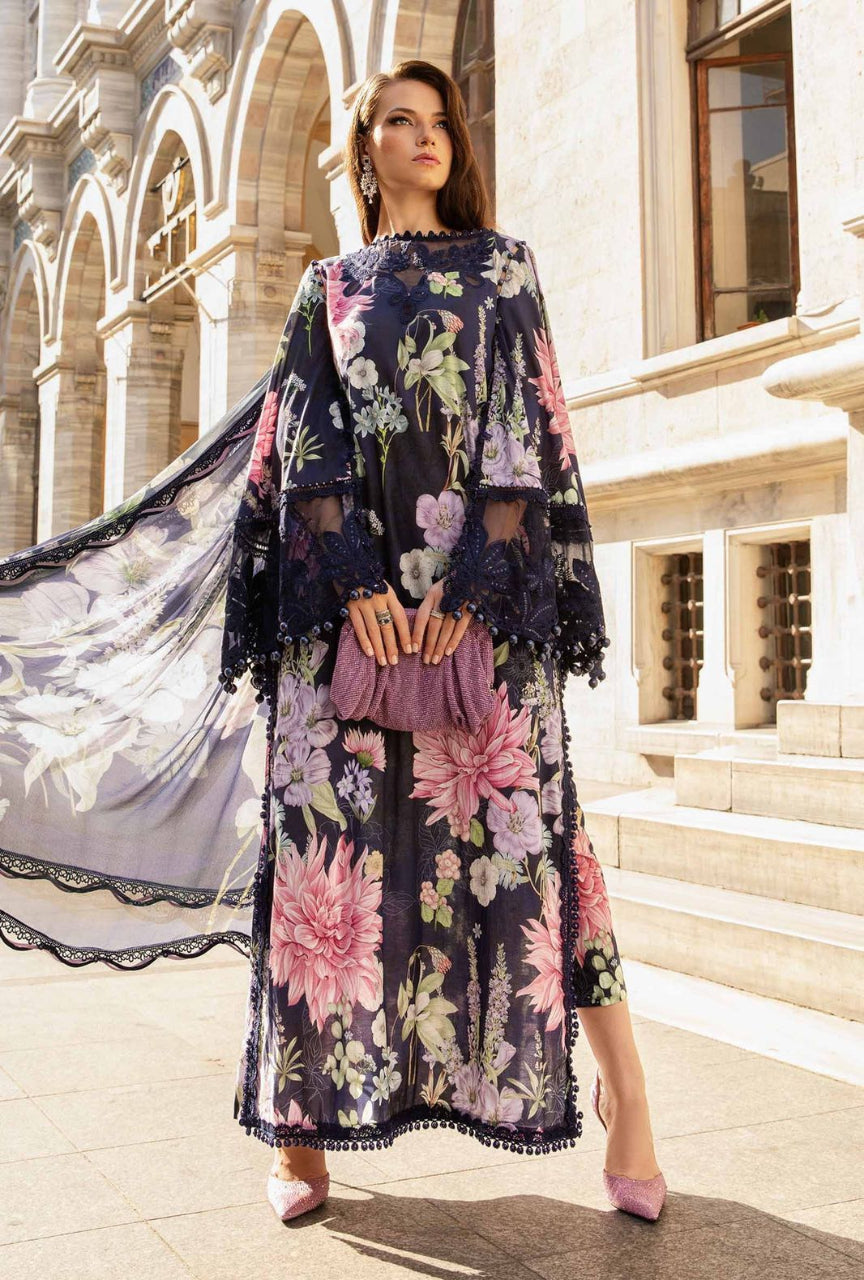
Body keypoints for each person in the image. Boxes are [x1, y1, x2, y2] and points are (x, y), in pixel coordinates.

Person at [0, 59, 665, 1225]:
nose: (424, 139)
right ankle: (300, 1137)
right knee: (323, 870)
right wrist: (358, 583)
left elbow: (530, 426)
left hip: (486, 620)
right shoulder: (329, 287)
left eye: (438, 122)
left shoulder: (507, 270)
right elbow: (297, 443)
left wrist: (464, 582)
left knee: (543, 858)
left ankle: (633, 1105)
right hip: (346, 633)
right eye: (398, 123)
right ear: (365, 152)